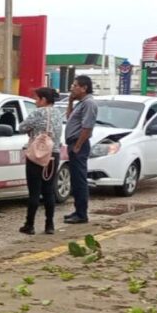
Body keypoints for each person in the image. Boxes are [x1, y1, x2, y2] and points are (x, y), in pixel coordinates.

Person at [17, 87, 64, 235]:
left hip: (37, 155)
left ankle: (29, 224)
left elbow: (22, 127)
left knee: (34, 191)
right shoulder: (58, 114)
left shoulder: (38, 113)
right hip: (53, 155)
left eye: (36, 99)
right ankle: (49, 225)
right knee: (48, 190)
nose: (35, 102)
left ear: (43, 100)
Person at [63, 75, 98, 224]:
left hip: (79, 145)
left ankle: (82, 214)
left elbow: (87, 127)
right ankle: (77, 210)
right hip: (73, 143)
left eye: (75, 85)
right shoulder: (81, 103)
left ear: (84, 88)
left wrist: (77, 146)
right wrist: (70, 101)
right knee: (75, 180)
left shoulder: (89, 103)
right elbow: (70, 117)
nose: (72, 88)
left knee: (80, 180)